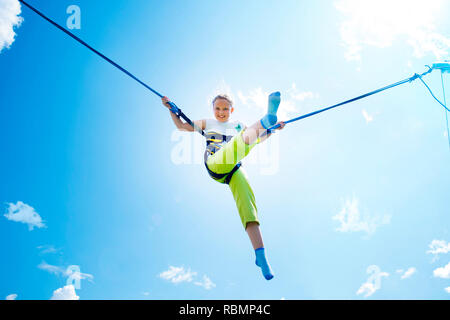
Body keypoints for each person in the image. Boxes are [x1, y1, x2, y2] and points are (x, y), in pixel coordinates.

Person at [162, 92, 285, 280]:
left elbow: (257, 139)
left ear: (231, 110)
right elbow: (181, 126)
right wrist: (172, 110)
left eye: (225, 108)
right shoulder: (207, 123)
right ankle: (265, 119)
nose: (221, 112)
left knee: (248, 203)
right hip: (215, 164)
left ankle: (261, 256)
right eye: (217, 108)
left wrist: (272, 130)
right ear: (213, 110)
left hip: (235, 168)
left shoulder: (238, 126)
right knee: (237, 144)